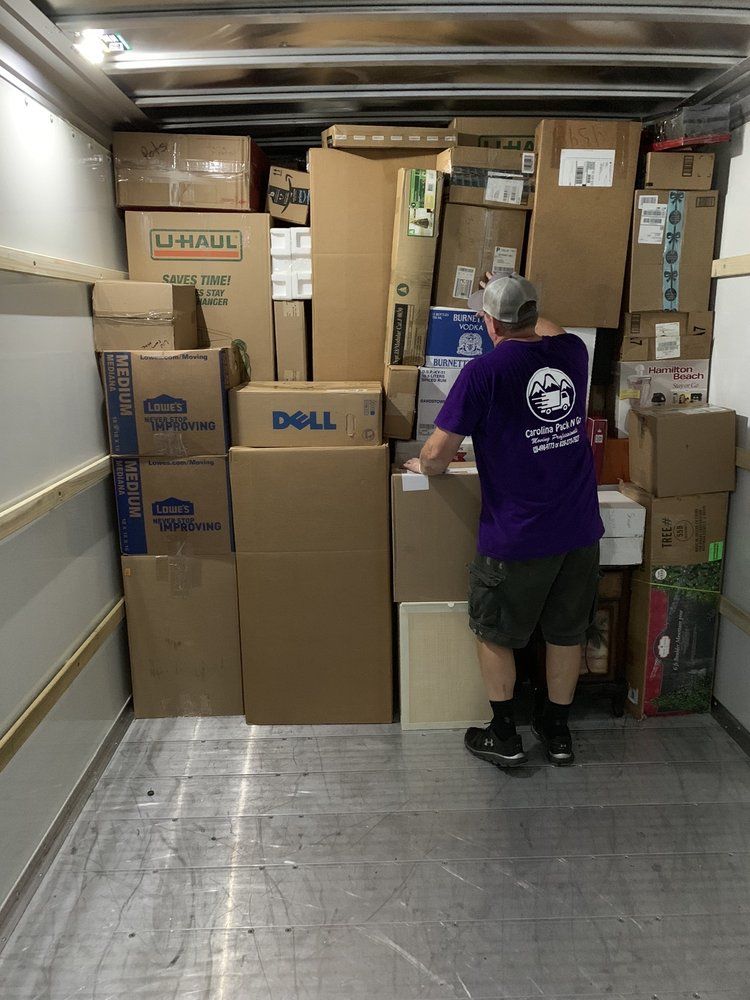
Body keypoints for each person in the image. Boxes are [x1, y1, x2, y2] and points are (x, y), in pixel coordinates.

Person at [404, 274, 604, 767]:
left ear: (488, 322)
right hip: (578, 529)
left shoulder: (483, 372)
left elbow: (436, 455)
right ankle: (556, 733)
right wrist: (518, 302)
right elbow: (548, 329)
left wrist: (421, 465)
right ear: (534, 317)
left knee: (495, 632)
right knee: (565, 632)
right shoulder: (573, 353)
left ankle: (504, 735)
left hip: (517, 536)